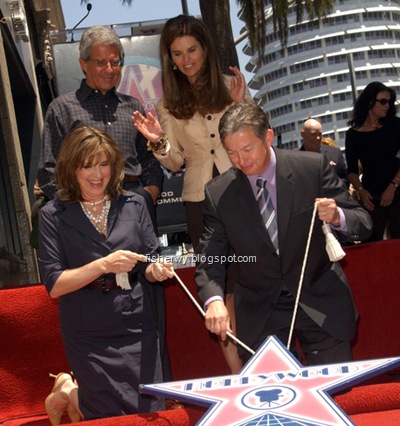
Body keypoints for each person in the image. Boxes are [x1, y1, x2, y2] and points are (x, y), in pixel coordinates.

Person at [195, 103, 372, 367]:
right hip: (260, 308)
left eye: (247, 149)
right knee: (272, 398)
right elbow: (211, 257)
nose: (241, 161)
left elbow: (364, 223)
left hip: (319, 297)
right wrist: (214, 301)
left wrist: (338, 217)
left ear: (268, 137)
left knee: (335, 393)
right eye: (231, 153)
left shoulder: (311, 168)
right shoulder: (219, 193)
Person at [132, 14, 253, 373]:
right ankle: (239, 373)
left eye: (192, 50)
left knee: (252, 280)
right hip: (201, 202)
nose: (186, 59)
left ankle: (266, 364)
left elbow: (257, 140)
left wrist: (242, 104)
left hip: (243, 194)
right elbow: (174, 161)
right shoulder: (168, 104)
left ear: (205, 49)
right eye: (177, 53)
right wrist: (158, 141)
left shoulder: (232, 85)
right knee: (219, 287)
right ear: (169, 58)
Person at [39, 126, 174, 424]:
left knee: (148, 415)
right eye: (87, 166)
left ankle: (69, 391)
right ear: (72, 168)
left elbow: (149, 264)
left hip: (137, 321)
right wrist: (103, 265)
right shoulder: (53, 214)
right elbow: (54, 285)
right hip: (87, 328)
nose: (97, 174)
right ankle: (69, 391)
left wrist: (157, 270)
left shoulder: (135, 203)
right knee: (105, 420)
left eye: (104, 164)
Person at [37, 25, 163, 223]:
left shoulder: (133, 107)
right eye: (101, 62)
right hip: (82, 210)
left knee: (140, 256)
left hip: (134, 205)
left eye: (114, 62)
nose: (109, 69)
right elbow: (48, 170)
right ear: (83, 64)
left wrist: (150, 193)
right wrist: (75, 209)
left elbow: (148, 160)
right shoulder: (62, 109)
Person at [345, 81, 400, 242]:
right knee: (373, 243)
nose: (387, 105)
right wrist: (361, 190)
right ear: (370, 102)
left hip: (398, 190)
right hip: (372, 196)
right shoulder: (353, 134)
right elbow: (352, 171)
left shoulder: (395, 125)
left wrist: (393, 185)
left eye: (389, 102)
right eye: (382, 101)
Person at [300, 118, 348, 187]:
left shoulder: (335, 153)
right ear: (303, 134)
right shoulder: (294, 159)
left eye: (320, 134)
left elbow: (344, 179)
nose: (318, 138)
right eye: (313, 134)